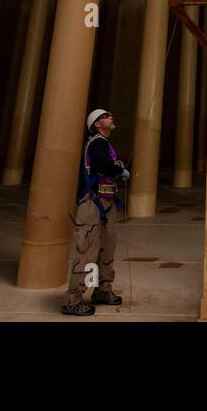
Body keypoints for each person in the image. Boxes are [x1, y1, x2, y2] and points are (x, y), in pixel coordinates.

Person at [61, 108, 129, 316]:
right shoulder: (97, 143)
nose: (110, 117)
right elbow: (104, 166)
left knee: (107, 248)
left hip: (106, 203)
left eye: (110, 114)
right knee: (87, 251)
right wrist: (119, 169)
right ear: (97, 125)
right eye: (105, 116)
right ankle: (73, 300)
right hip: (92, 203)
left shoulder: (105, 143)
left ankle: (103, 289)